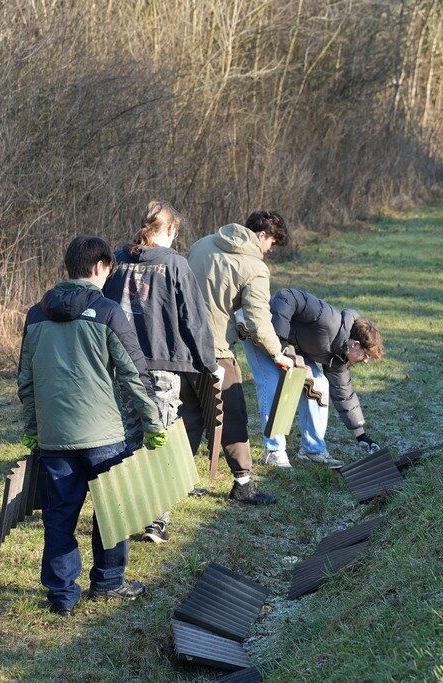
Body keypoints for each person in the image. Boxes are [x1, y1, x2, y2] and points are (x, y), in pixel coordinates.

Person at [18, 236, 166, 617]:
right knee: (112, 510)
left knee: (59, 516)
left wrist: (33, 428)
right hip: (104, 436)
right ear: (100, 267)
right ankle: (109, 582)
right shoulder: (109, 312)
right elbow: (135, 374)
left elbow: (26, 381)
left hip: (54, 438)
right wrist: (153, 424)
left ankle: (61, 595)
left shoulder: (35, 315)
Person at [103, 201, 222, 543]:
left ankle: (124, 511)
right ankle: (156, 520)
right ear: (169, 230)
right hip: (162, 366)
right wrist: (210, 365)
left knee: (129, 436)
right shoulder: (175, 264)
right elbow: (194, 319)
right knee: (161, 438)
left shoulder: (117, 261)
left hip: (121, 363)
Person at [186, 210, 295, 504]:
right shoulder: (254, 267)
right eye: (272, 243)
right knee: (232, 410)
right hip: (215, 349)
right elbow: (260, 320)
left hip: (181, 345)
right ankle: (243, 484)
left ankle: (177, 479)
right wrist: (278, 353)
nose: (270, 250)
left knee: (189, 413)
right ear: (261, 235)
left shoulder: (203, 243)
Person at [243, 288, 384, 468]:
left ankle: (312, 450)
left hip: (288, 348)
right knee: (273, 383)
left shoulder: (340, 355)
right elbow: (287, 296)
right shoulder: (327, 320)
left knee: (320, 384)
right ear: (355, 344)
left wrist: (361, 435)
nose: (365, 361)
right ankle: (274, 452)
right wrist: (281, 341)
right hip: (260, 331)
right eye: (366, 355)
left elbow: (344, 394)